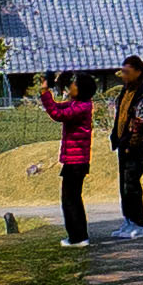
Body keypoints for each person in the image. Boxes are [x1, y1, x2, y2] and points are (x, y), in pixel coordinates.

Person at [36, 73, 97, 247]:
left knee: (70, 200)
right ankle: (79, 235)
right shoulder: (79, 104)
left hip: (76, 162)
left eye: (74, 84)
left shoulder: (82, 107)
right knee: (73, 199)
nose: (71, 87)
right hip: (75, 161)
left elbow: (56, 114)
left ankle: (78, 238)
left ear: (81, 89)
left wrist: (44, 92)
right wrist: (48, 90)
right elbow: (57, 107)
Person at [109, 54, 143, 236]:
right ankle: (128, 220)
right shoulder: (126, 90)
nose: (124, 75)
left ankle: (138, 223)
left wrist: (131, 143)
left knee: (132, 184)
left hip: (135, 145)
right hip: (123, 142)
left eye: (127, 72)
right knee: (124, 184)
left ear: (138, 72)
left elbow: (141, 121)